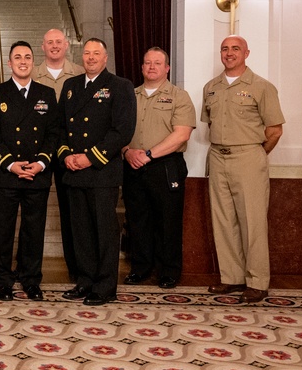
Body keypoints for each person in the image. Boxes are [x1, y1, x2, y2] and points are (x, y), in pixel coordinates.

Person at [201, 35, 284, 303]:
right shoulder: (211, 88)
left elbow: (274, 131)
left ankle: (257, 281)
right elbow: (209, 125)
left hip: (248, 156)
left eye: (235, 49)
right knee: (223, 221)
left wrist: (255, 154)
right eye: (224, 49)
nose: (229, 53)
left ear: (247, 53)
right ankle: (232, 277)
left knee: (253, 222)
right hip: (217, 156)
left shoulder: (262, 87)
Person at [56, 38, 135, 305]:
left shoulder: (120, 86)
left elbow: (122, 130)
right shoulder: (71, 86)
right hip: (74, 171)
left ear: (106, 58)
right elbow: (60, 128)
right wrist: (66, 155)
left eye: (96, 54)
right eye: (87, 53)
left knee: (104, 231)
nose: (90, 58)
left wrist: (90, 158)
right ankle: (85, 280)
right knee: (81, 231)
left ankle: (104, 286)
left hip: (102, 171)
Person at [0, 41, 60, 301]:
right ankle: (4, 280)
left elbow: (53, 133)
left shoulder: (47, 93)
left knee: (33, 230)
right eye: (18, 57)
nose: (23, 61)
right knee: (2, 231)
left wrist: (40, 163)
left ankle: (30, 279)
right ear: (9, 63)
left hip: (36, 174)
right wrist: (10, 163)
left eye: (28, 57)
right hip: (7, 173)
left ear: (33, 62)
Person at [121, 47, 195, 289]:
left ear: (167, 68)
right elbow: (117, 131)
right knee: (137, 220)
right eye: (147, 63)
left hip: (165, 165)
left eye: (157, 63)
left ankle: (168, 271)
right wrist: (127, 152)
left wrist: (150, 154)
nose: (151, 67)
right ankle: (141, 268)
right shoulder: (129, 96)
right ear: (142, 67)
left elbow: (182, 134)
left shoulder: (179, 96)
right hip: (132, 164)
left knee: (167, 221)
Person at [33, 28, 83, 283]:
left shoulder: (80, 74)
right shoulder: (31, 73)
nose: (54, 46)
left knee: (72, 212)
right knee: (31, 212)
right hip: (36, 151)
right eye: (49, 42)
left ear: (67, 45)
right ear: (42, 46)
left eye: (58, 42)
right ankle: (28, 268)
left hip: (67, 151)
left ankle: (76, 268)